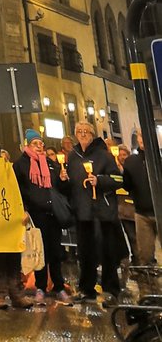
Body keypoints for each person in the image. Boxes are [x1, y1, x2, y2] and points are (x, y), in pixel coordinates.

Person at [67, 119, 124, 306]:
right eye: (80, 131)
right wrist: (62, 179)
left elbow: (118, 179)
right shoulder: (72, 156)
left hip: (102, 212)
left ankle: (111, 290)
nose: (83, 134)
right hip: (82, 212)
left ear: (92, 135)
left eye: (86, 131)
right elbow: (69, 186)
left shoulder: (104, 156)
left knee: (107, 252)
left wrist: (100, 181)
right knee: (85, 253)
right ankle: (86, 289)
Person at [12, 127, 72, 305]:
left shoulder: (50, 164)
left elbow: (60, 189)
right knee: (39, 251)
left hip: (52, 213)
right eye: (35, 143)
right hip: (36, 214)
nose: (39, 146)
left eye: (40, 143)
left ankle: (59, 286)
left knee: (55, 251)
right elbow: (17, 190)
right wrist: (23, 209)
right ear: (27, 145)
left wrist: (63, 180)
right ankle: (40, 286)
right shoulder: (21, 164)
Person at [0, 134, 32, 310]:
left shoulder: (7, 167)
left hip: (10, 216)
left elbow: (17, 190)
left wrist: (24, 209)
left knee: (13, 256)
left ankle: (17, 294)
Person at [123, 133, 157, 282]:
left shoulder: (158, 158)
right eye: (140, 136)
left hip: (160, 210)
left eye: (145, 135)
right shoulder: (131, 161)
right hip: (142, 212)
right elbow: (127, 185)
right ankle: (149, 287)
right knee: (145, 253)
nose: (143, 140)